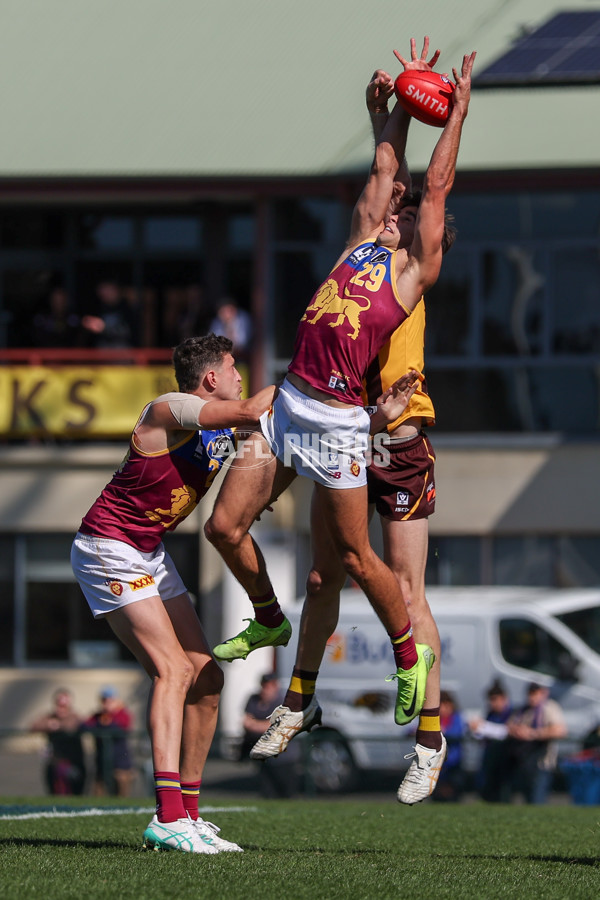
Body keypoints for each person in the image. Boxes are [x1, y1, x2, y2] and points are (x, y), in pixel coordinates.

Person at [211, 38, 475, 799]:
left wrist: (455, 114)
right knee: (289, 558)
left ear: (420, 234)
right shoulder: (362, 249)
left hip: (388, 436)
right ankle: (295, 692)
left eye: (405, 215)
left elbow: (431, 187)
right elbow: (385, 177)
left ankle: (428, 737)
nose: (394, 212)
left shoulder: (411, 269)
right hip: (326, 415)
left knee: (390, 582)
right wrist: (390, 111)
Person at [71, 333, 275, 854]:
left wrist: (376, 415)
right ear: (211, 377)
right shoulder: (167, 408)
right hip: (107, 546)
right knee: (175, 671)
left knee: (207, 680)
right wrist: (307, 377)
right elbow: (256, 408)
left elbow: (277, 433)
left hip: (148, 551)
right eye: (233, 368)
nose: (239, 377)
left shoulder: (225, 426)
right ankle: (166, 817)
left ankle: (188, 814)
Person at [505, 682, 567, 805]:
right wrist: (517, 731)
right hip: (524, 761)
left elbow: (560, 730)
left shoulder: (549, 708)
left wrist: (533, 734)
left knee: (537, 798)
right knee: (526, 796)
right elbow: (508, 726)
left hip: (541, 760)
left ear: (544, 693)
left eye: (535, 694)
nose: (532, 697)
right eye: (530, 694)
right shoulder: (523, 710)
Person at [242, 673, 301, 798]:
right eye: (264, 686)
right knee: (267, 793)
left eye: (269, 686)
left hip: (283, 757)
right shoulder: (254, 700)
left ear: (275, 687)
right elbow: (246, 722)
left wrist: (255, 725)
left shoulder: (283, 703)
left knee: (286, 794)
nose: (265, 690)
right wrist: (262, 725)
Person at [30, 688, 86, 795]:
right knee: (55, 792)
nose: (61, 709)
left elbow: (79, 725)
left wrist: (59, 726)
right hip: (55, 763)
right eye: (59, 705)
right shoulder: (49, 717)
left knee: (75, 792)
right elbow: (34, 726)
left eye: (64, 706)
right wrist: (48, 725)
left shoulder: (75, 717)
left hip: (73, 763)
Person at [83, 686, 135, 797]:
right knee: (99, 793)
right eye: (104, 700)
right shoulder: (98, 716)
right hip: (102, 763)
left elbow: (123, 726)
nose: (107, 703)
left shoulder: (122, 714)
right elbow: (84, 725)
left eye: (110, 700)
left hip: (120, 763)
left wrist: (110, 720)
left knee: (122, 794)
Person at [469, 679, 513, 802]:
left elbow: (506, 731)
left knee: (503, 792)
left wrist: (482, 727)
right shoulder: (491, 714)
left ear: (504, 699)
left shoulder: (512, 713)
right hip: (490, 757)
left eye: (495, 699)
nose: (492, 703)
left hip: (505, 758)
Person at [81, 279, 139, 348]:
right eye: (101, 289)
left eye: (107, 289)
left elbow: (129, 332)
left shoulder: (127, 308)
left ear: (116, 290)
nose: (103, 293)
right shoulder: (97, 308)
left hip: (122, 351)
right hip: (100, 351)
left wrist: (103, 327)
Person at [430, 690, 466, 802]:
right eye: (441, 705)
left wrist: (440, 731)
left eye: (447, 705)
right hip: (436, 765)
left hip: (452, 764)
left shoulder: (457, 718)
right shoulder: (433, 720)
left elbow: (456, 732)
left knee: (453, 795)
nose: (444, 708)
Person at [209, 298, 252, 362]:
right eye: (222, 312)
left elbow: (242, 343)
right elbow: (214, 343)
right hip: (223, 359)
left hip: (244, 358)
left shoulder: (244, 319)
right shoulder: (216, 323)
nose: (225, 314)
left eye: (228, 311)